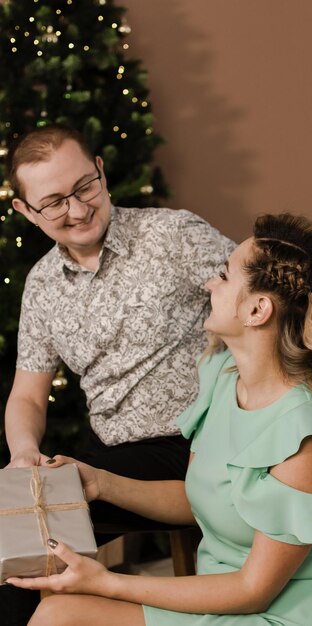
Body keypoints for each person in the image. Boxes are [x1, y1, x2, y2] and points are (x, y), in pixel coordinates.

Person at [7, 212, 312, 626]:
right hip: (220, 601)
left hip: (278, 615)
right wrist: (103, 483)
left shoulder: (305, 438)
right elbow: (197, 501)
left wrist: (106, 582)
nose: (209, 283)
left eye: (223, 276)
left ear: (258, 309)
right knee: (58, 611)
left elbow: (253, 590)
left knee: (63, 616)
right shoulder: (222, 380)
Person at [1, 123, 235, 626]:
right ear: (24, 211)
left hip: (203, 443)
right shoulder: (41, 286)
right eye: (55, 201)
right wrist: (23, 453)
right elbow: (27, 397)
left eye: (85, 186)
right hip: (116, 455)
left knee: (23, 538)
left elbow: (261, 304)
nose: (79, 209)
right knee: (12, 541)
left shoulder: (173, 234)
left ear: (101, 170)